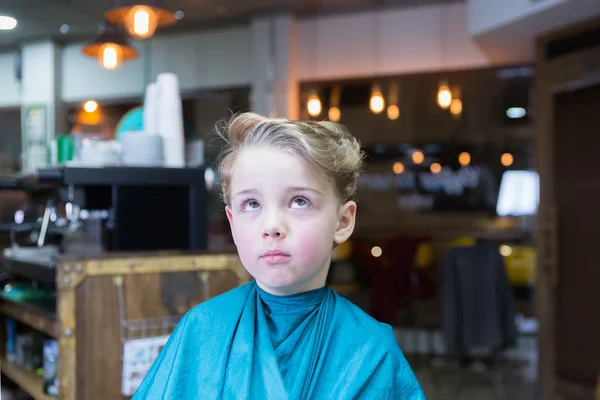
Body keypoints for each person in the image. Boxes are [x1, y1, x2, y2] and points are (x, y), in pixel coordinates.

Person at [133, 113, 425, 399]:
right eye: (251, 204)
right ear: (232, 223)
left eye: (299, 201)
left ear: (343, 221)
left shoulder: (370, 350)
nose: (271, 226)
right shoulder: (200, 330)